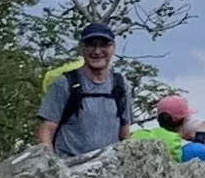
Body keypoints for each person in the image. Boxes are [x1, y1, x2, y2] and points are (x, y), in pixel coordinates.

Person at [33, 24, 134, 157]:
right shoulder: (64, 83)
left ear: (113, 48)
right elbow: (47, 128)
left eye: (103, 45)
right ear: (82, 49)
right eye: (91, 45)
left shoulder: (121, 85)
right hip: (69, 167)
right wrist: (51, 164)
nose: (97, 51)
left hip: (108, 169)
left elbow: (124, 131)